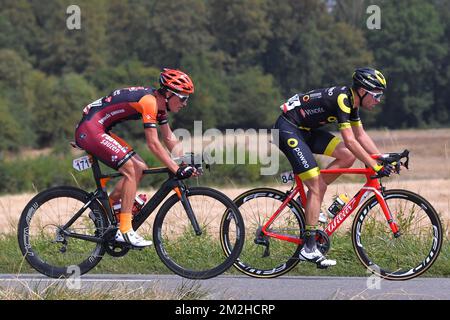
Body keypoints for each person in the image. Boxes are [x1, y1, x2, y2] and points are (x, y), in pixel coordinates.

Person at [274, 67, 392, 267]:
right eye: (376, 95)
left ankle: (314, 195)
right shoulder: (343, 100)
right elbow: (352, 141)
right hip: (287, 129)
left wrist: (383, 158)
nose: (378, 100)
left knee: (346, 157)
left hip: (305, 131)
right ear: (362, 91)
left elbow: (361, 136)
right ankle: (309, 248)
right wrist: (374, 165)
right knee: (316, 186)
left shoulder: (353, 104)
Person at [75, 68, 197, 247]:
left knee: (140, 168)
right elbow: (153, 144)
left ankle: (101, 211)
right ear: (169, 94)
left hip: (98, 128)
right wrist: (176, 168)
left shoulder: (160, 106)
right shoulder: (150, 102)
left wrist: (187, 161)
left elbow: (169, 138)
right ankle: (125, 230)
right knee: (131, 170)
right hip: (91, 129)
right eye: (183, 97)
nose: (185, 103)